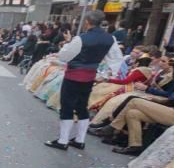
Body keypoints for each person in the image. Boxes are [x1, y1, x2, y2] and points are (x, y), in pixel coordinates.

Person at [43, 10, 122, 151]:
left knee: (67, 107)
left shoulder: (81, 38)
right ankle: (80, 140)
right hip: (90, 77)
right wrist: (106, 75)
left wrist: (68, 42)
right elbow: (116, 59)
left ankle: (63, 141)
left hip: (74, 75)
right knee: (82, 107)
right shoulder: (111, 39)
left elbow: (64, 56)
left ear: (87, 22)